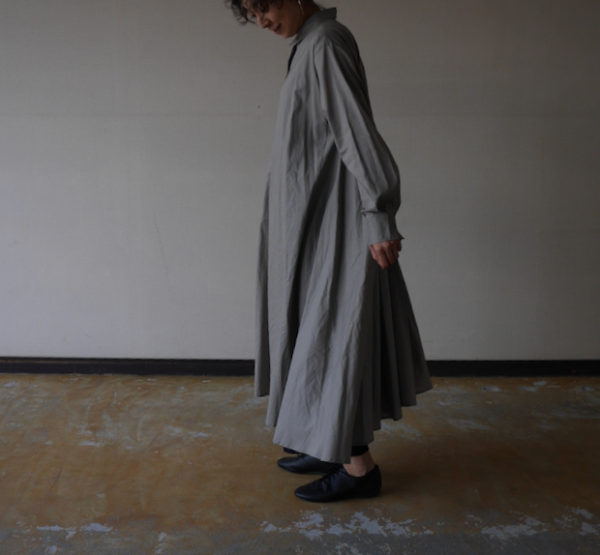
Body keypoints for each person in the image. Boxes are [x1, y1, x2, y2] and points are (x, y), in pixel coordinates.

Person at [226, 0, 432, 502]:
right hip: (310, 219)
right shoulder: (308, 45)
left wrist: (378, 212)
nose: (261, 21)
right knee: (309, 329)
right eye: (251, 13)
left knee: (336, 334)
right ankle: (326, 442)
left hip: (336, 219)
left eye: (264, 6)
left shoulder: (325, 44)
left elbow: (355, 130)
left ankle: (359, 469)